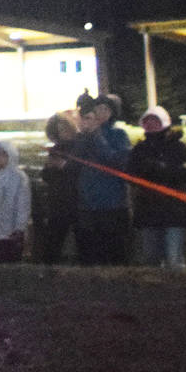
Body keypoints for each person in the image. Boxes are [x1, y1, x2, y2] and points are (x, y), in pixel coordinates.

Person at [126, 106, 186, 270]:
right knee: (150, 258)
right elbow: (131, 175)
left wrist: (159, 168)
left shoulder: (179, 147)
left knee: (173, 258)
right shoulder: (139, 150)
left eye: (155, 121)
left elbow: (182, 173)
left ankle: (180, 289)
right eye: (147, 121)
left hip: (174, 211)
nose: (151, 125)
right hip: (148, 212)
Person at [71, 92, 132, 266]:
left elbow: (114, 160)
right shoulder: (84, 136)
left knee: (114, 251)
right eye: (98, 109)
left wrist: (97, 136)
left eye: (106, 109)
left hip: (112, 203)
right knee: (89, 252)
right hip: (87, 203)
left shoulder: (118, 135)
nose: (101, 113)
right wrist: (83, 135)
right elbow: (73, 164)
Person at [35, 111, 82, 264]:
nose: (63, 133)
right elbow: (46, 176)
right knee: (53, 240)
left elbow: (79, 170)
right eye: (59, 130)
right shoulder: (55, 149)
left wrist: (63, 166)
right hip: (57, 201)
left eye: (64, 129)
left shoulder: (79, 146)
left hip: (76, 199)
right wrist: (50, 167)